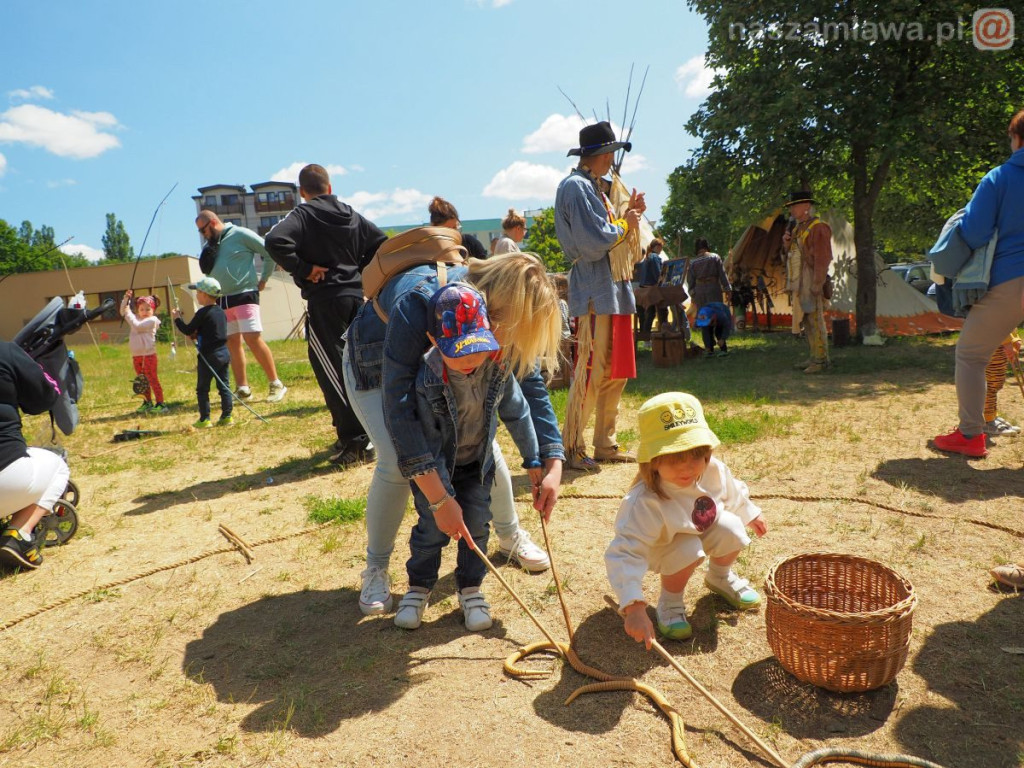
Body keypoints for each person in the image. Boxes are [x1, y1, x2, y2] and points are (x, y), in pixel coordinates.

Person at [343, 249, 565, 614]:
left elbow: (528, 385)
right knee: (397, 463)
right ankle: (377, 567)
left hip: (434, 371)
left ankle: (507, 536)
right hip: (375, 362)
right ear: (493, 312)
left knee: (482, 447)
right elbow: (399, 408)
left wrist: (550, 460)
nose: (510, 346)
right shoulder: (420, 303)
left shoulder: (495, 321)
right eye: (512, 334)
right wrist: (441, 501)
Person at [393, 284, 545, 631]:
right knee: (432, 529)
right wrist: (444, 498)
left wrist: (533, 458)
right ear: (434, 340)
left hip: (477, 466)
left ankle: (471, 587)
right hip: (436, 468)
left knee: (477, 525)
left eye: (476, 348)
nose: (470, 360)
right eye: (458, 352)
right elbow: (428, 446)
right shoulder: (426, 379)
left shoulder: (496, 366)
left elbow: (517, 412)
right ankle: (419, 586)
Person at [605, 392, 767, 646]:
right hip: (664, 547)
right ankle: (670, 601)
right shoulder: (645, 501)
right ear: (652, 461)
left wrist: (750, 513)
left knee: (731, 527)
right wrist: (634, 607)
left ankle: (720, 576)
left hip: (701, 526)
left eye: (695, 456)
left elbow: (731, 489)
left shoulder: (712, 469)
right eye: (674, 458)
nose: (687, 468)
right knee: (687, 547)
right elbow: (626, 552)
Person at [264, 164, 387, 465]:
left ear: (303, 192)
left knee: (333, 370)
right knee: (361, 367)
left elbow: (274, 240)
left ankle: (355, 443)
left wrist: (305, 269)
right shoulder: (351, 214)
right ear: (329, 188)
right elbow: (381, 242)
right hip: (357, 300)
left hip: (326, 301)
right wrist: (360, 271)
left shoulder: (303, 214)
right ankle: (372, 435)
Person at [555, 120, 646, 471]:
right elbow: (595, 242)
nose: (612, 160)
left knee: (615, 369)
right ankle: (573, 446)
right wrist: (626, 224)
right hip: (594, 287)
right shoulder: (575, 188)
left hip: (613, 287)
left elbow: (610, 232)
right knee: (591, 370)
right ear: (596, 155)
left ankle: (604, 443)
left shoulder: (593, 188)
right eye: (609, 153)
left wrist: (627, 214)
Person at [933, 110, 1024, 458]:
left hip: (1011, 279)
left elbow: (974, 231)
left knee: (971, 355)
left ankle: (970, 435)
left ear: (1015, 138)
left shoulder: (999, 178)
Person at [195, 210, 287, 403]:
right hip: (222, 299)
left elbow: (269, 252)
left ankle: (276, 384)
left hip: (245, 294)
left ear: (212, 222)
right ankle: (243, 388)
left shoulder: (240, 234)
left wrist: (264, 279)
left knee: (252, 338)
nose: (203, 235)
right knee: (232, 343)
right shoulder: (212, 245)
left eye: (203, 230)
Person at [0, 340, 70, 570]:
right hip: (7, 478)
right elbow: (43, 397)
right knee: (58, 464)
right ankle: (19, 532)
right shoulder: (6, 351)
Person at [780, 192, 833, 374]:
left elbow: (823, 258)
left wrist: (818, 282)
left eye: (794, 206)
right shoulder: (797, 229)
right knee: (807, 319)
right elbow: (791, 254)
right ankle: (814, 356)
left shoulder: (819, 228)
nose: (791, 210)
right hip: (799, 280)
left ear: (806, 207)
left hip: (811, 278)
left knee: (815, 318)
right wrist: (786, 244)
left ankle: (821, 360)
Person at [172, 277, 233, 428]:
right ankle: (227, 416)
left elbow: (187, 330)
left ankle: (205, 419)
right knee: (224, 386)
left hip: (208, 355)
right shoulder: (220, 312)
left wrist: (177, 319)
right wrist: (197, 334)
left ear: (204, 294)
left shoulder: (202, 312)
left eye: (197, 293)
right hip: (224, 353)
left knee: (202, 388)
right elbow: (212, 331)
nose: (196, 296)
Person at [120, 291, 166, 413]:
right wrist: (126, 299)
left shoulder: (152, 320)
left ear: (153, 310)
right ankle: (147, 402)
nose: (145, 312)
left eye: (148, 309)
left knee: (152, 378)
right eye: (142, 309)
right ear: (138, 310)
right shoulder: (135, 317)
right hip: (137, 356)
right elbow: (123, 311)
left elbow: (137, 326)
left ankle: (161, 403)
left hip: (149, 355)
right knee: (142, 380)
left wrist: (128, 312)